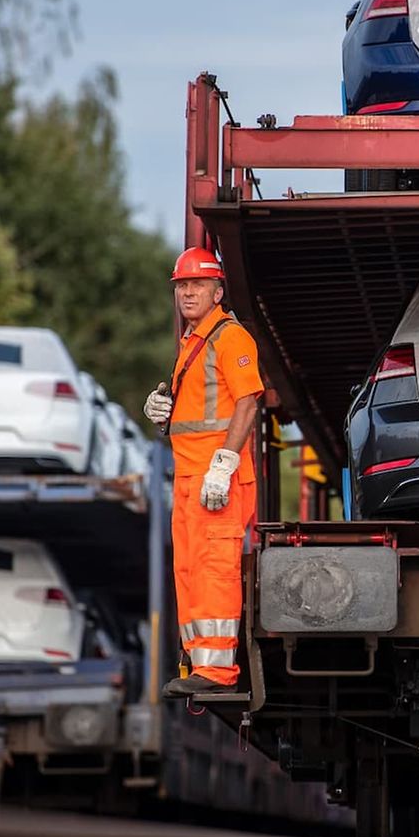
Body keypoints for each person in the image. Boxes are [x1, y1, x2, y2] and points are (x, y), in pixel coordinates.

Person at [144, 246, 262, 697]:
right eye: (181, 286)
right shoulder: (193, 342)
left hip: (217, 479)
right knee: (190, 569)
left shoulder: (230, 338)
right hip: (190, 477)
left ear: (217, 291)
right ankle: (198, 662)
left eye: (197, 284)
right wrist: (163, 414)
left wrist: (225, 464)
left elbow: (248, 401)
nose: (187, 292)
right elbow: (199, 413)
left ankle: (217, 672)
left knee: (214, 569)